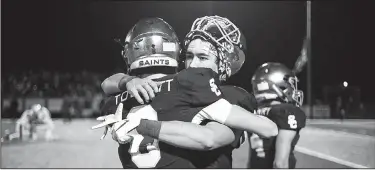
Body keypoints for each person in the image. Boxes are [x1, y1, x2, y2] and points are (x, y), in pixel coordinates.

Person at [95, 16, 278, 168]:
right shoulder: (179, 85)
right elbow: (109, 83)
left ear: (224, 63)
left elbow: (210, 138)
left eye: (203, 57)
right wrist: (129, 81)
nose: (193, 64)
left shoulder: (229, 95)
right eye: (189, 56)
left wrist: (143, 125)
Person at [247, 62, 306, 169]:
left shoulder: (253, 112)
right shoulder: (287, 111)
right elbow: (280, 164)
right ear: (277, 85)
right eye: (288, 84)